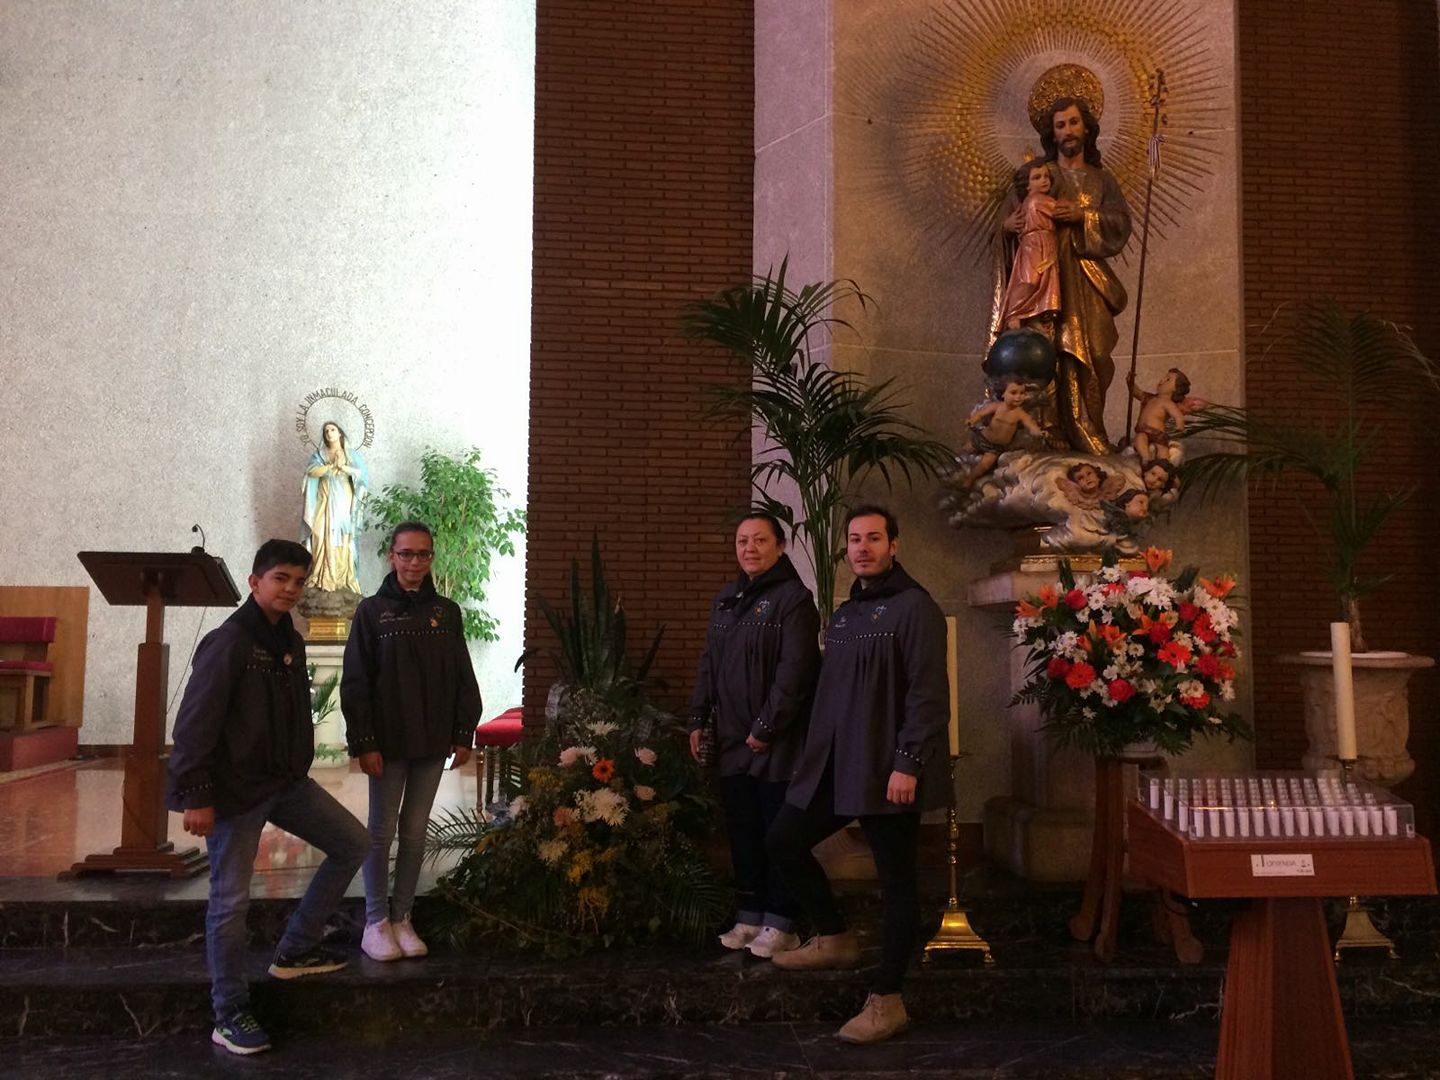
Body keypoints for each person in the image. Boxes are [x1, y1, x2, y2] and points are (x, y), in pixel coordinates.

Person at [167, 539, 369, 1056]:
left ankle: (295, 949)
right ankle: (229, 1011)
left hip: (283, 782)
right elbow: (195, 724)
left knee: (353, 843)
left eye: (299, 582)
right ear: (256, 581)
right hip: (235, 792)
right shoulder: (229, 641)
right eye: (281, 578)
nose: (291, 590)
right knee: (230, 903)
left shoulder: (289, 640)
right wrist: (196, 793)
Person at [767, 505, 950, 1044]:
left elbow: (928, 694)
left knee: (897, 884)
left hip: (888, 770)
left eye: (874, 538)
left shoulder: (916, 608)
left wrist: (908, 761)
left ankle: (887, 1000)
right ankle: (834, 936)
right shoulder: (847, 614)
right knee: (783, 840)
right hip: (836, 765)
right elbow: (830, 695)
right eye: (854, 539)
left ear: (895, 544)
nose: (863, 548)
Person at [341, 521, 481, 963]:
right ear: (392, 556)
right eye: (407, 554)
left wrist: (462, 732)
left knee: (416, 833)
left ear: (431, 558)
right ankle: (376, 921)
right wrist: (364, 742)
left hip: (432, 739)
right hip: (387, 741)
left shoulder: (447, 612)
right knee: (380, 833)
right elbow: (356, 682)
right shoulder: (371, 612)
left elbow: (462, 677)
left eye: (423, 554)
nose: (415, 563)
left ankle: (403, 916)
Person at [688, 513, 820, 959]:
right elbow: (709, 662)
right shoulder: (726, 600)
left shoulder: (794, 600)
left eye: (760, 540)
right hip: (730, 741)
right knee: (743, 831)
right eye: (742, 541)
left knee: (774, 832)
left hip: (776, 742)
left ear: (780, 547)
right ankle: (749, 917)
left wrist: (766, 728)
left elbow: (795, 673)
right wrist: (698, 717)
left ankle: (782, 923)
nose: (750, 548)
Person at [1008, 96, 1132, 455]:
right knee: (1045, 351)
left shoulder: (1101, 180)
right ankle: (1050, 431)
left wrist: (1082, 216)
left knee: (1093, 351)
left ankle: (1089, 427)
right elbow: (1011, 216)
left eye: (1074, 123)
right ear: (1052, 133)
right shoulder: (1039, 175)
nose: (1068, 131)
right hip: (1044, 279)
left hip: (1087, 278)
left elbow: (1120, 224)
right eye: (1061, 125)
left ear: (1087, 128)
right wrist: (1008, 225)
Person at [301, 420, 368, 594]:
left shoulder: (351, 455)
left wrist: (344, 467)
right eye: (326, 431)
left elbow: (362, 476)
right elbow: (311, 472)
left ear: (340, 433)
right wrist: (330, 466)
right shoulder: (319, 455)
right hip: (323, 499)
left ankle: (339, 577)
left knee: (341, 535)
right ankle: (319, 575)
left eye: (332, 429)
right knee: (318, 533)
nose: (329, 433)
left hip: (342, 500)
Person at [996, 159, 1061, 332]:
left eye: (1047, 176)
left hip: (1046, 245)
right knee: (1030, 280)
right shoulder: (1034, 200)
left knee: (1044, 282)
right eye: (1037, 177)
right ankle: (1014, 312)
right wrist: (1005, 227)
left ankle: (1033, 315)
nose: (1044, 180)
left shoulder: (1042, 198)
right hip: (1034, 246)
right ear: (1026, 185)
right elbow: (1058, 210)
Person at [963, 378, 1044, 486]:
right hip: (982, 438)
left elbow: (1030, 424)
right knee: (966, 450)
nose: (1018, 397)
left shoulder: (1020, 414)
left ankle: (969, 479)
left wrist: (1037, 431)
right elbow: (981, 413)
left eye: (1022, 393)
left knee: (984, 465)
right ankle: (957, 467)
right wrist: (972, 420)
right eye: (1013, 393)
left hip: (995, 448)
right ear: (1003, 394)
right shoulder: (997, 406)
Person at [1127, 368, 1192, 462]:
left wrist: (1180, 425)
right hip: (1143, 430)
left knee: (1162, 449)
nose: (1162, 380)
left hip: (1157, 433)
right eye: (1163, 377)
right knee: (1139, 439)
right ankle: (1146, 457)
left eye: (1168, 379)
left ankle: (1164, 464)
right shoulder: (1149, 398)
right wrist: (1130, 382)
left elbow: (1177, 415)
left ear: (1175, 389)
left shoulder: (1168, 403)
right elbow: (1136, 392)